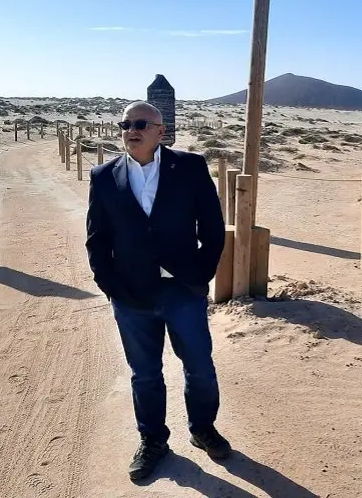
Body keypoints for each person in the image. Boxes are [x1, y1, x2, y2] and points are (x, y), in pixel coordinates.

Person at [85, 101, 229, 481]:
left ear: (160, 132)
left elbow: (212, 229)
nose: (131, 129)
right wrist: (112, 287)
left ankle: (202, 429)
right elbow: (97, 240)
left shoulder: (191, 167)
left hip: (183, 290)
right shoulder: (103, 176)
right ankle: (153, 441)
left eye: (140, 124)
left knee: (199, 366)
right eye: (125, 124)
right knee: (145, 373)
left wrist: (200, 276)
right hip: (132, 296)